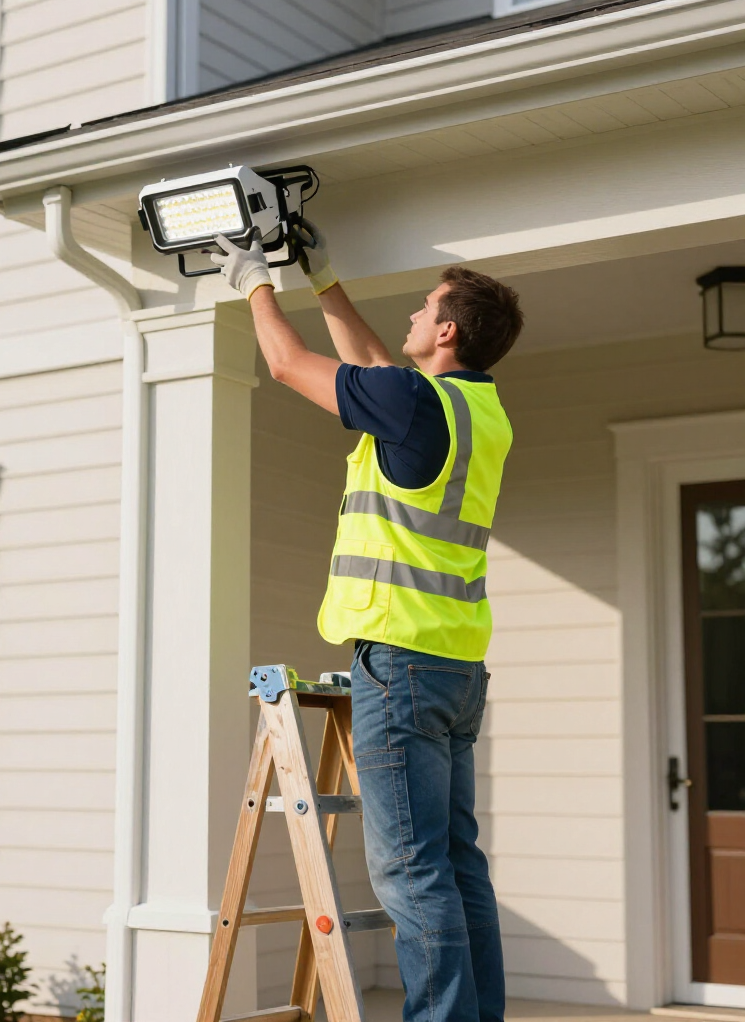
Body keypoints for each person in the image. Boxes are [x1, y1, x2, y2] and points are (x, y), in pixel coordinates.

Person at [211, 224, 524, 1022]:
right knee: (457, 864)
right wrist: (323, 277)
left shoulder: (417, 401)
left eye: (425, 309)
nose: (414, 317)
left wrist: (254, 280)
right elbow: (382, 368)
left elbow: (286, 363)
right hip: (458, 667)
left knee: (412, 874)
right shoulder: (478, 411)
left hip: (403, 663)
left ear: (448, 330)